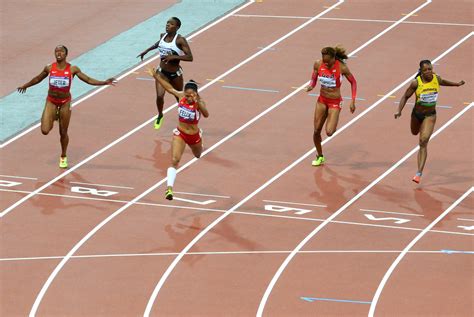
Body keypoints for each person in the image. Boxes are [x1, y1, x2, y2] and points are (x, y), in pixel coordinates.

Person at [17, 45, 116, 168]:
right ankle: (53, 116)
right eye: (56, 51)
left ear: (66, 54)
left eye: (61, 51)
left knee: (63, 132)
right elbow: (38, 78)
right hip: (51, 101)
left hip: (65, 102)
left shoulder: (73, 69)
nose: (58, 53)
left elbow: (88, 80)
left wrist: (104, 82)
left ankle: (63, 156)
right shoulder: (49, 68)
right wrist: (25, 85)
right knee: (45, 130)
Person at [395, 59, 465, 183]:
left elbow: (444, 82)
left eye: (430, 69)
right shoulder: (416, 83)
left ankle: (418, 173)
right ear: (421, 72)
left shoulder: (436, 79)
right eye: (425, 70)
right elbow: (405, 96)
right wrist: (399, 110)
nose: (428, 72)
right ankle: (419, 129)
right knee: (414, 132)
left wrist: (457, 84)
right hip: (417, 115)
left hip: (430, 115)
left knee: (423, 142)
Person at [146, 67, 208, 200]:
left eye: (191, 95)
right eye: (186, 95)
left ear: (196, 94)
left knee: (197, 155)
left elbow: (206, 115)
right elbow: (169, 88)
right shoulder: (181, 97)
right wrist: (156, 76)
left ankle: (200, 137)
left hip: (194, 135)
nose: (188, 97)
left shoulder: (199, 103)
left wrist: (198, 102)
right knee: (175, 160)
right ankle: (169, 189)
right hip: (180, 133)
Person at [137, 17, 193, 130]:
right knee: (159, 96)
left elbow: (190, 57)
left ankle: (184, 120)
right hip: (161, 73)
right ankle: (160, 115)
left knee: (180, 99)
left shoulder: (180, 40)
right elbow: (159, 43)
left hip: (176, 74)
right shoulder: (162, 35)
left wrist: (174, 56)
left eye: (171, 24)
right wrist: (147, 50)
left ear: (177, 27)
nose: (167, 25)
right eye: (167, 23)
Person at [305, 45, 357, 166]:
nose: (326, 64)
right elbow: (313, 79)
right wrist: (311, 86)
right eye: (325, 62)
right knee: (316, 131)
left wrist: (353, 100)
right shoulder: (318, 64)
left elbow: (353, 82)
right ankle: (320, 156)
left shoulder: (342, 68)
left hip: (334, 102)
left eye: (328, 62)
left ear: (334, 58)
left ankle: (333, 117)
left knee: (329, 132)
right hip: (322, 100)